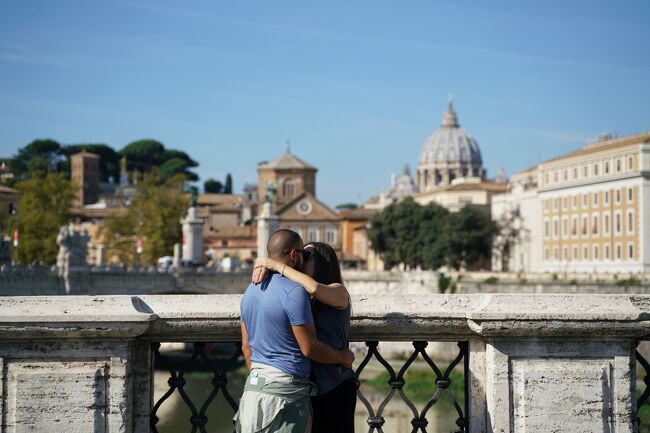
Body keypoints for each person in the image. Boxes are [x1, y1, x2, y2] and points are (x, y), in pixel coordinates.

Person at [236, 229, 354, 433]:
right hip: (306, 389)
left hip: (335, 385)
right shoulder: (298, 296)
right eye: (301, 253)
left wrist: (274, 264)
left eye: (307, 256)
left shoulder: (337, 291)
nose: (302, 258)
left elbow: (315, 288)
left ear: (323, 263)